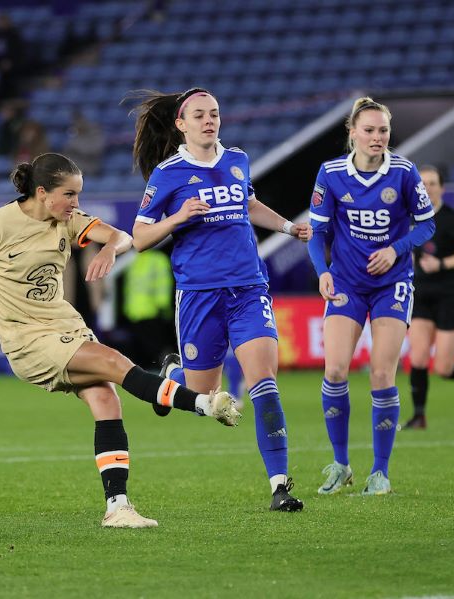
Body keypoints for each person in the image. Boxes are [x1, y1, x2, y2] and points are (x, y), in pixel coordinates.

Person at [0, 153, 241, 529]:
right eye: (69, 195)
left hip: (64, 325)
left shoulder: (68, 221)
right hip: (27, 339)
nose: (75, 203)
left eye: (78, 195)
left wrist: (107, 248)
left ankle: (118, 508)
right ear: (42, 192)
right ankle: (201, 403)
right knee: (112, 362)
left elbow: (122, 237)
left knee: (106, 399)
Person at [128, 88, 312, 512]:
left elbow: (247, 204)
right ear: (181, 124)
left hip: (248, 289)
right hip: (198, 297)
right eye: (200, 115)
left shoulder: (237, 160)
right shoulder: (168, 174)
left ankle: (280, 486)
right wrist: (177, 218)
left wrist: (288, 228)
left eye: (214, 114)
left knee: (264, 382)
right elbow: (140, 238)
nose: (209, 121)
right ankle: (173, 377)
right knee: (204, 398)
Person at [307, 97, 436, 496]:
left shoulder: (404, 172)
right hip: (346, 282)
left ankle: (379, 472)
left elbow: (427, 226)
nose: (377, 137)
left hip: (392, 283)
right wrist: (323, 272)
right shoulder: (330, 174)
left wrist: (395, 250)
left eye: (383, 130)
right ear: (352, 133)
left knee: (382, 373)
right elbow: (318, 234)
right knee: (335, 371)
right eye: (369, 130)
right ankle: (341, 465)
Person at [404, 166, 454, 431]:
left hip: (452, 293)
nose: (427, 188)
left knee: (443, 367)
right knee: (417, 358)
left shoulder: (453, 219)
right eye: (423, 183)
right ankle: (419, 416)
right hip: (421, 292)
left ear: (441, 188)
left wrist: (441, 264)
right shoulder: (409, 217)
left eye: (432, 183)